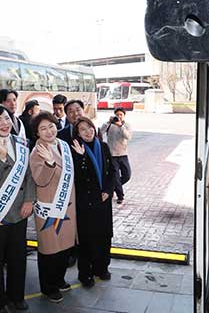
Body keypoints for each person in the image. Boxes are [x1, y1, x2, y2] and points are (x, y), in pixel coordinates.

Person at [0, 105, 35, 313]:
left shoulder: (21, 143)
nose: (4, 124)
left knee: (18, 258)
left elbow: (29, 175)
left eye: (6, 119)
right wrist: (2, 157)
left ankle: (16, 296)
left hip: (20, 211)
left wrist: (29, 200)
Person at [29, 112, 77, 303]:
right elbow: (39, 180)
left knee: (64, 246)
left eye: (51, 126)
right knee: (50, 249)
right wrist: (49, 164)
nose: (49, 131)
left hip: (67, 205)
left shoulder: (62, 145)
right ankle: (48, 287)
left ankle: (59, 279)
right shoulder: (37, 151)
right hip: (50, 207)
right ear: (37, 133)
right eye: (43, 128)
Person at [70, 116, 116, 287]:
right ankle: (85, 274)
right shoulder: (74, 149)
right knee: (87, 239)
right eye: (82, 129)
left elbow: (112, 171)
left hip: (103, 200)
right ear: (78, 133)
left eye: (89, 127)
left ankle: (101, 268)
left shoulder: (103, 147)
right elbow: (79, 178)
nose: (88, 132)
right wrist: (82, 158)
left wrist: (108, 191)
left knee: (104, 236)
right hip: (86, 202)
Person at [100, 108, 132, 204]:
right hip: (112, 155)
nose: (118, 116)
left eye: (121, 114)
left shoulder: (126, 125)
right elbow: (100, 132)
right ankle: (120, 196)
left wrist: (120, 125)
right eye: (117, 114)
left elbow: (128, 136)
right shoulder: (110, 125)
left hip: (123, 154)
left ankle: (112, 188)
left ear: (124, 116)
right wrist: (108, 122)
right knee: (116, 177)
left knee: (127, 175)